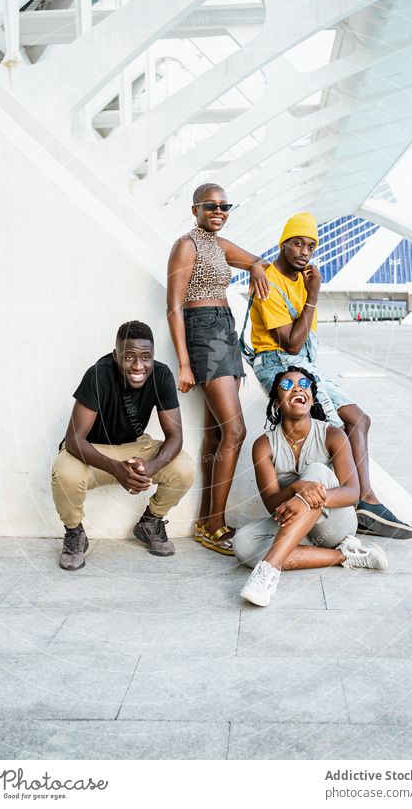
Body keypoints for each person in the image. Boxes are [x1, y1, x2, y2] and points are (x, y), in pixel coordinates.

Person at [247, 212, 412, 539]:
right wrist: (314, 295)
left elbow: (305, 344)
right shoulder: (269, 279)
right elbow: (292, 343)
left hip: (305, 364)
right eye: (297, 243)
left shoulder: (304, 279)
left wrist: (310, 291)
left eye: (311, 246)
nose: (304, 251)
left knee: (359, 419)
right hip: (276, 362)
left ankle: (365, 500)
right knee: (334, 429)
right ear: (283, 244)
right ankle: (349, 503)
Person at [167, 183, 270, 555]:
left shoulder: (220, 245)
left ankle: (207, 522)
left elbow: (259, 260)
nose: (219, 211)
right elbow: (174, 307)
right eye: (211, 205)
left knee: (215, 436)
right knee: (235, 431)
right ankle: (214, 525)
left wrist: (257, 268)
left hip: (225, 330)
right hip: (203, 332)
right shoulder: (186, 245)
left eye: (225, 206)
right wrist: (183, 363)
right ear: (194, 208)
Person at [234, 367, 388, 607]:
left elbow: (352, 493)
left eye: (304, 384)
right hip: (297, 528)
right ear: (276, 401)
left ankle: (268, 572)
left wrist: (310, 494)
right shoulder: (263, 445)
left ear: (312, 399)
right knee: (243, 544)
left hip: (335, 524)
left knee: (317, 471)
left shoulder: (333, 435)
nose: (297, 387)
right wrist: (297, 487)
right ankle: (346, 556)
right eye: (287, 385)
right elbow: (272, 504)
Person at [51, 321, 194, 570]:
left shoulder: (161, 375)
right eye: (129, 357)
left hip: (135, 447)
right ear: (116, 355)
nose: (138, 366)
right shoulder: (98, 374)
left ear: (153, 357)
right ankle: (75, 533)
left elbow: (175, 437)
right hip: (91, 451)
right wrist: (116, 468)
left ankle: (151, 521)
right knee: (64, 472)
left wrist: (151, 467)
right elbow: (75, 439)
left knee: (184, 467)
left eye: (145, 357)